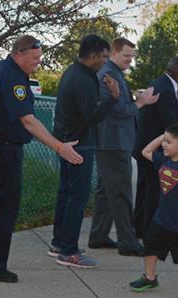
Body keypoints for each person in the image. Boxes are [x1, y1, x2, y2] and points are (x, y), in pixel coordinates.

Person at [0, 35, 83, 281]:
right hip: (3, 148)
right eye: (35, 58)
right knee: (4, 206)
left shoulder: (1, 67)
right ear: (20, 53)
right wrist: (59, 147)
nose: (37, 63)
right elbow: (28, 121)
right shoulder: (12, 78)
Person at [49, 35, 119, 268]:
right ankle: (68, 251)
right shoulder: (83, 79)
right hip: (78, 144)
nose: (105, 61)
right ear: (94, 56)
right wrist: (113, 98)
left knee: (66, 194)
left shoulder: (74, 72)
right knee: (76, 197)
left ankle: (60, 242)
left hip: (68, 140)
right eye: (104, 57)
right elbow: (92, 116)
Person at [87, 38, 158, 257]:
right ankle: (128, 241)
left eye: (132, 57)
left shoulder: (113, 72)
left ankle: (98, 237)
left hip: (112, 140)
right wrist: (141, 103)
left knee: (106, 192)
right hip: (113, 141)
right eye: (127, 56)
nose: (130, 60)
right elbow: (117, 111)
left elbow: (119, 106)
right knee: (121, 193)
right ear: (114, 53)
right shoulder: (108, 75)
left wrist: (136, 99)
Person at [129, 124, 178, 298]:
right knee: (151, 245)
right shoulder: (163, 159)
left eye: (169, 142)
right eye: (164, 141)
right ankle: (150, 277)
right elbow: (145, 151)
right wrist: (163, 136)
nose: (164, 145)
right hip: (162, 217)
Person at [133, 57, 178, 244]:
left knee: (144, 189)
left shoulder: (161, 83)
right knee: (153, 190)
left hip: (144, 145)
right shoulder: (165, 89)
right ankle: (150, 231)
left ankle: (139, 227)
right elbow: (170, 123)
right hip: (151, 148)